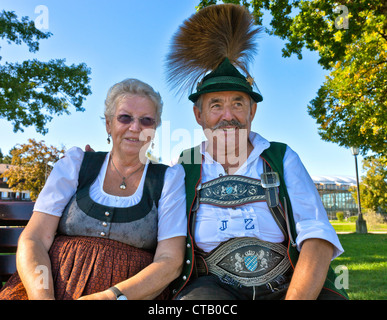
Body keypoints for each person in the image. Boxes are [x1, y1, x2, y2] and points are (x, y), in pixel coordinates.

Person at [165, 4, 348, 300]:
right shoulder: (183, 165)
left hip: (287, 286)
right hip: (212, 290)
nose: (228, 115)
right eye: (216, 105)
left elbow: (316, 234)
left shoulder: (281, 156)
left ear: (252, 111)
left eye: (238, 103)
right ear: (198, 115)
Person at [0, 78, 187, 300]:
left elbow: (170, 261)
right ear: (109, 124)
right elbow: (35, 239)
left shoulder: (168, 179)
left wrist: (111, 297)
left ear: (154, 130)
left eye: (146, 121)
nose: (135, 127)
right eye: (124, 117)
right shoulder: (77, 164)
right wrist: (42, 295)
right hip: (50, 289)